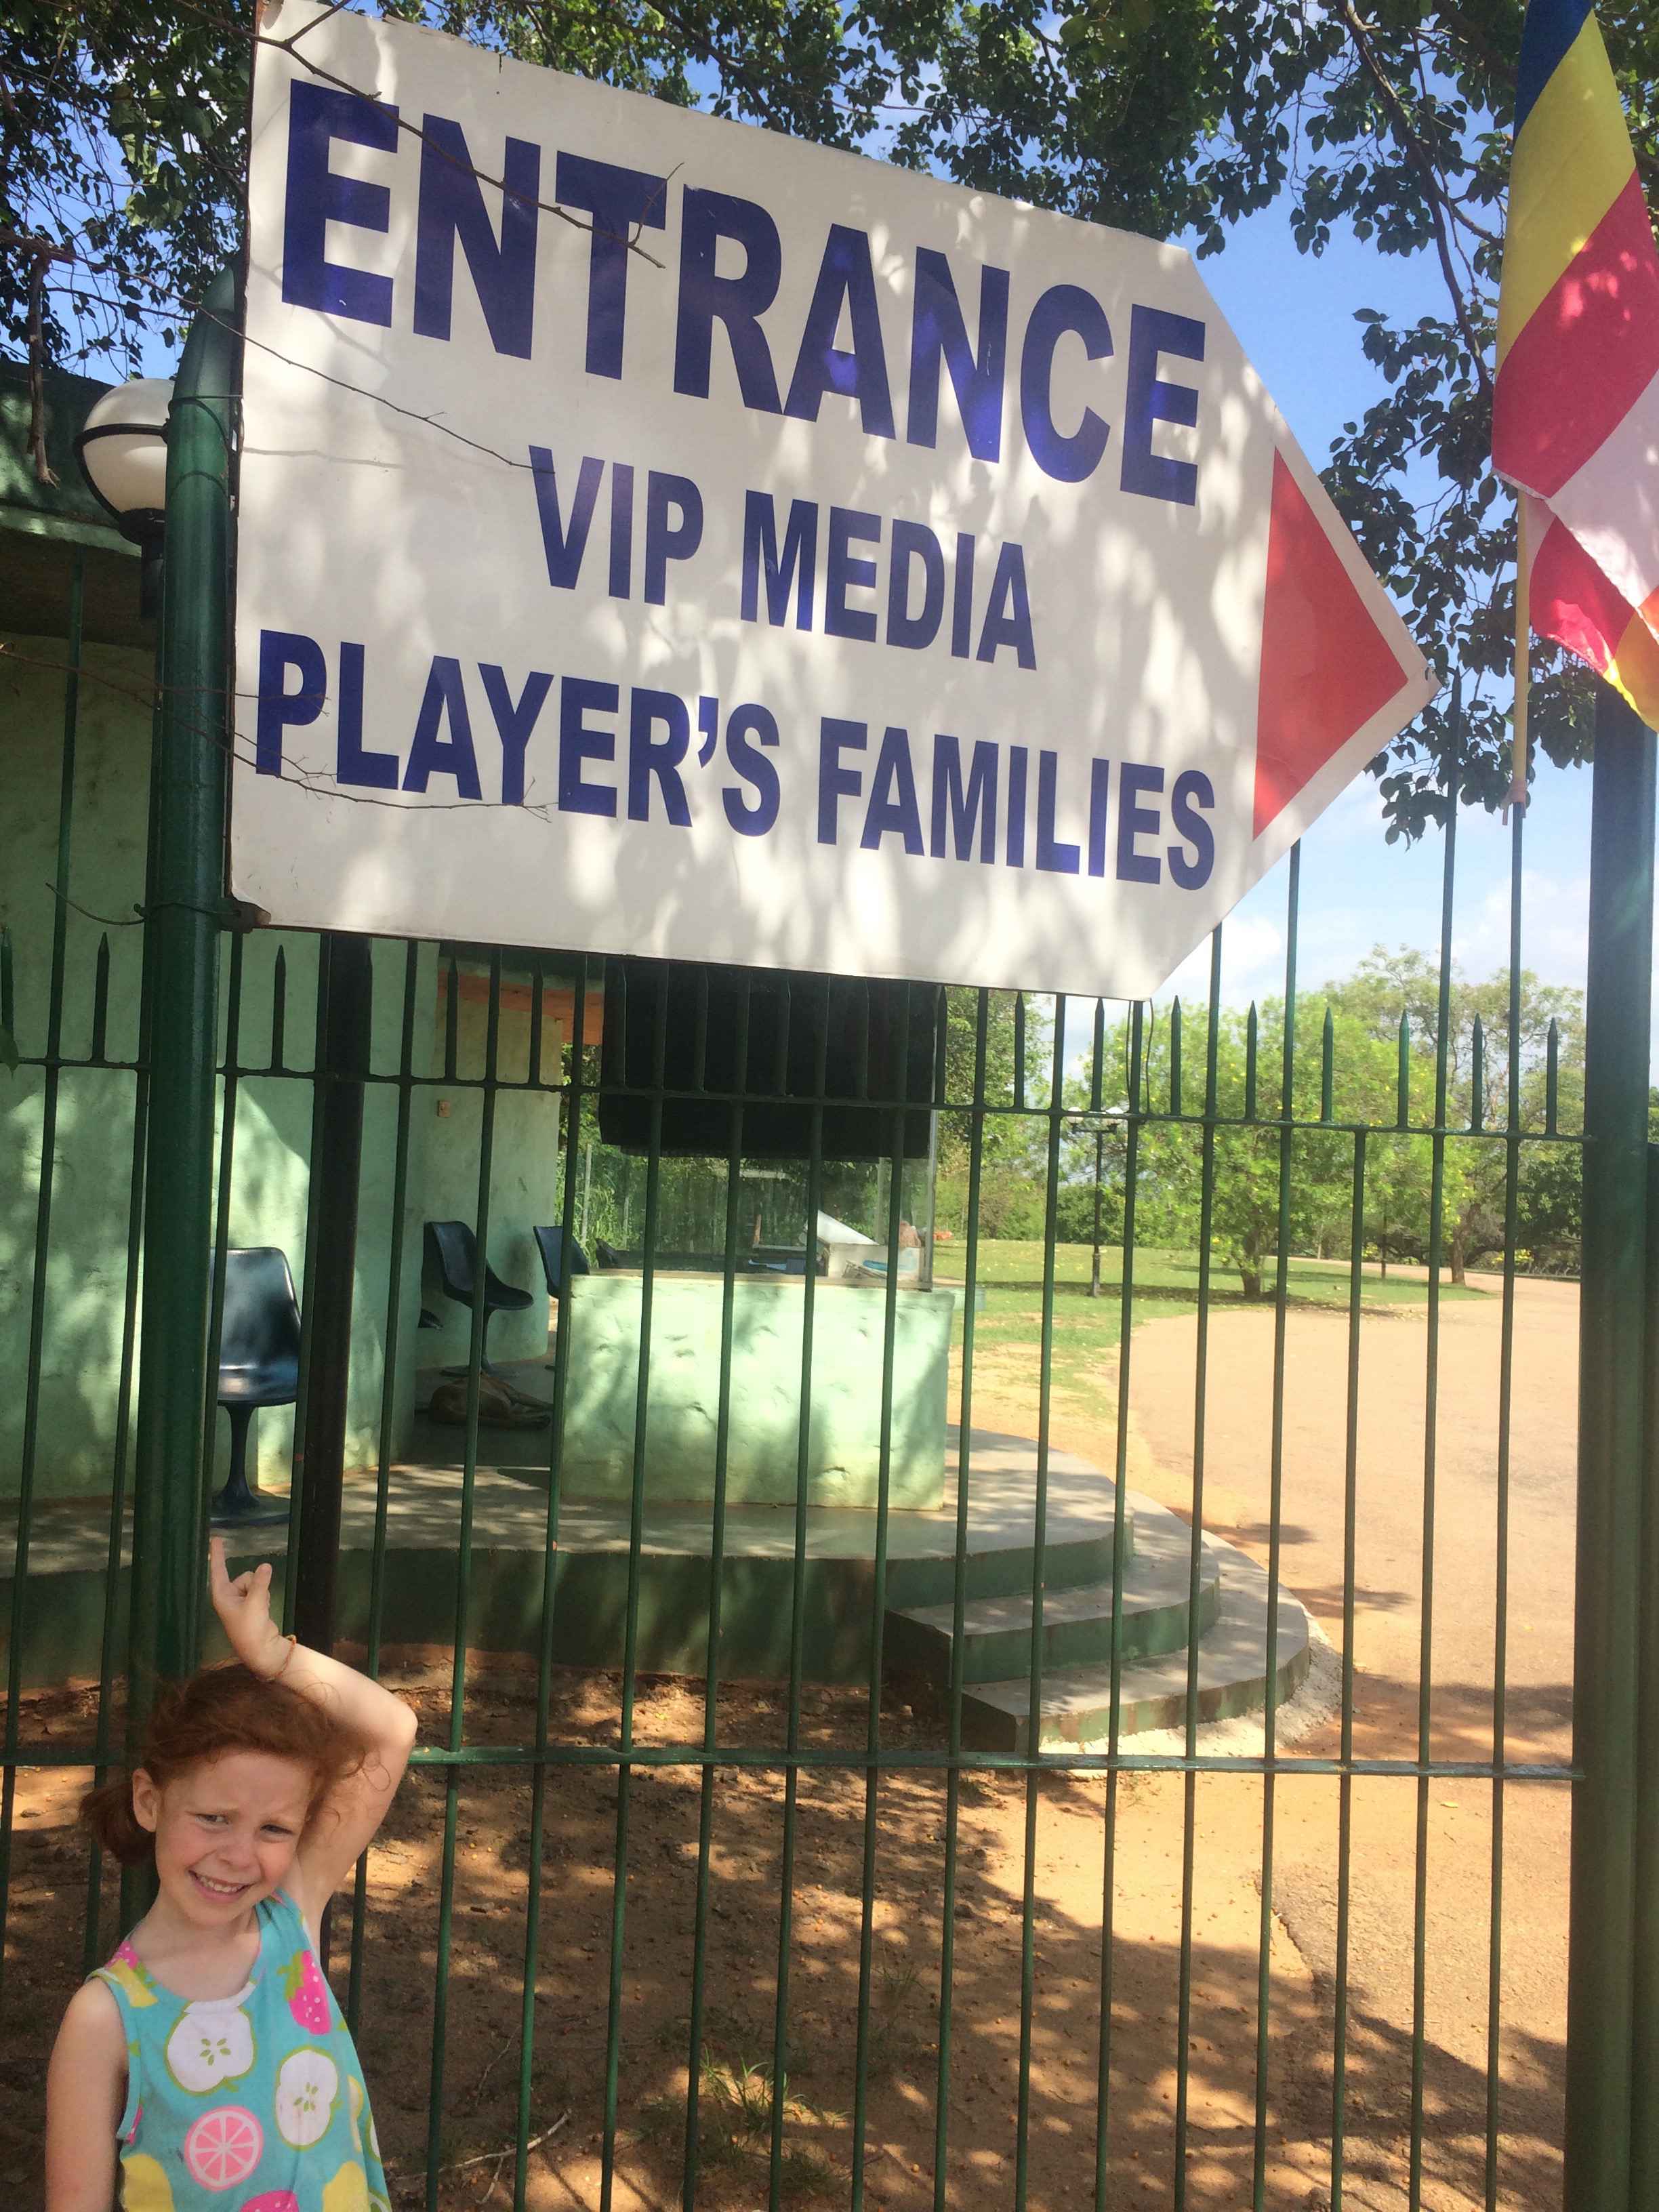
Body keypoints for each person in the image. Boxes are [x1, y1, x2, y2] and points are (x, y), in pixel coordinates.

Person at [45, 1538, 418, 2211]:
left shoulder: (291, 1917)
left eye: (274, 1829)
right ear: (149, 1801)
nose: (240, 1856)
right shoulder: (104, 2019)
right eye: (214, 1818)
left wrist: (273, 1654)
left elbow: (392, 1729)